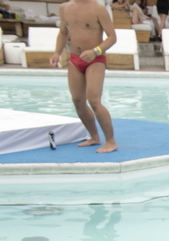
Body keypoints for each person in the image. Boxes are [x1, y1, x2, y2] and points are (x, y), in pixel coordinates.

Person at [49, 0, 118, 153]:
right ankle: (94, 136)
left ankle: (111, 141)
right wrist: (57, 53)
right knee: (78, 101)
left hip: (95, 59)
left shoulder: (98, 9)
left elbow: (112, 37)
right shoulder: (64, 8)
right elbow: (63, 32)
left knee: (94, 100)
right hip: (75, 58)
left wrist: (96, 51)